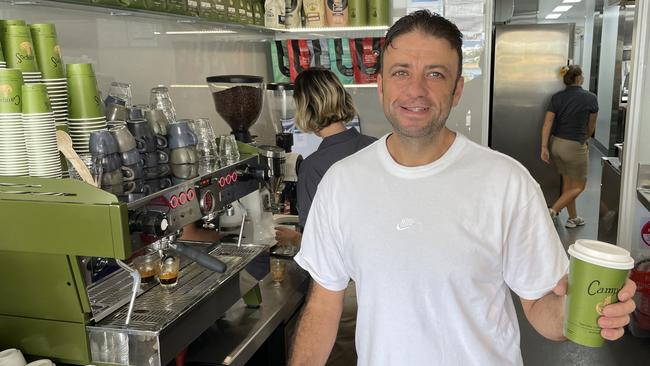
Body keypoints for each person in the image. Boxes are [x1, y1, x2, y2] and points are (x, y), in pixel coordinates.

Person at [289, 11, 636, 366]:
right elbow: (323, 304)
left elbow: (540, 306)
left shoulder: (506, 183)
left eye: (435, 74)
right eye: (400, 72)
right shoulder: (341, 183)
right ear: (381, 85)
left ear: (457, 91)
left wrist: (583, 309)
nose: (416, 90)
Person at [275, 67, 376, 366]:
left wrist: (292, 237)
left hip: (345, 290)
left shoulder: (314, 166)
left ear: (306, 108)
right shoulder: (376, 147)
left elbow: (315, 244)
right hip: (382, 280)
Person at [541, 65, 598, 228]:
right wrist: (585, 138)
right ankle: (552, 211)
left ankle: (573, 217)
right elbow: (591, 125)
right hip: (574, 146)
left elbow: (547, 123)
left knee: (568, 184)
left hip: (556, 144)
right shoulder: (590, 98)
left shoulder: (557, 97)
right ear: (579, 78)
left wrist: (544, 147)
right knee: (580, 186)